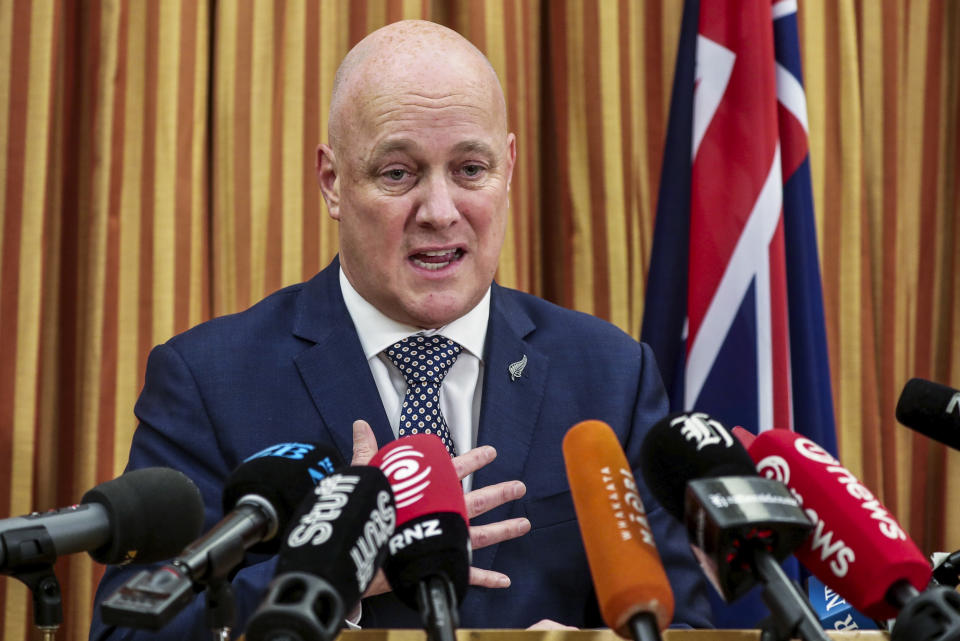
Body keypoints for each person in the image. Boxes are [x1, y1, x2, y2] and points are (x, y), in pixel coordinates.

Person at [89, 19, 712, 639]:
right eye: (397, 174)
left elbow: (682, 622)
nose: (440, 213)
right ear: (333, 182)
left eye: (470, 169)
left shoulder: (609, 375)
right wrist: (338, 572)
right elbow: (132, 630)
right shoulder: (210, 380)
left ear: (510, 166)